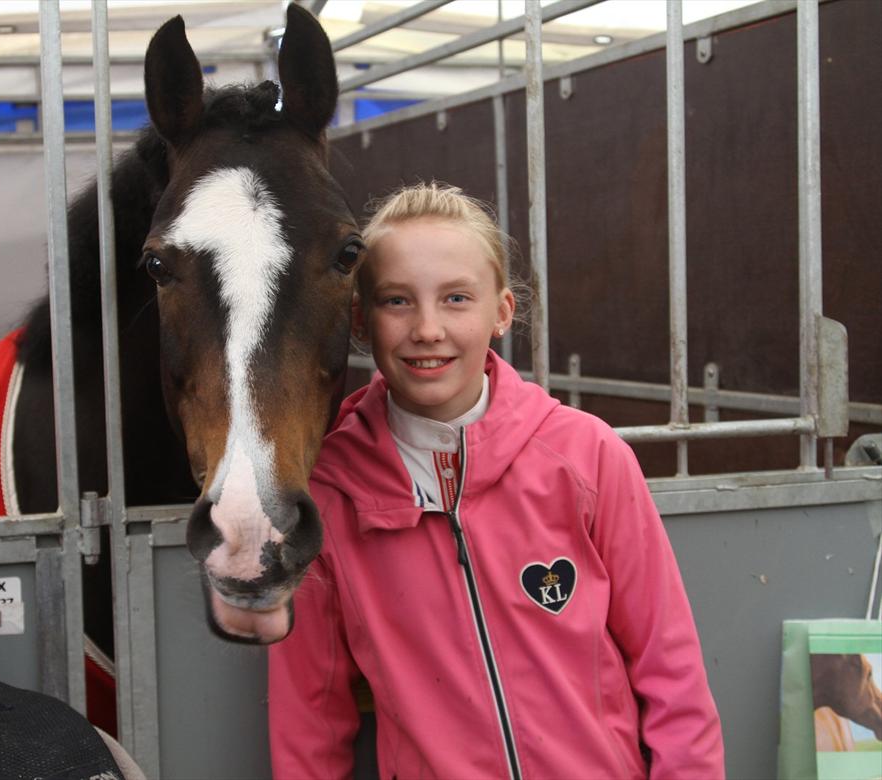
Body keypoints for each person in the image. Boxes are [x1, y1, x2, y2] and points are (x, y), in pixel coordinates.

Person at [268, 182, 724, 779]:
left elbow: (671, 670)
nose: (427, 328)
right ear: (360, 319)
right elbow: (310, 715)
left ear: (502, 312)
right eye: (397, 301)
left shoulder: (588, 456)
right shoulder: (327, 491)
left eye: (456, 298)